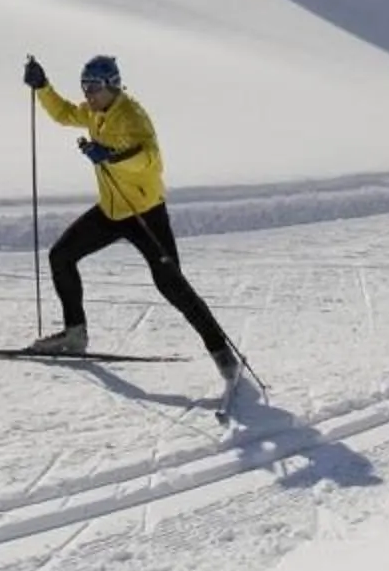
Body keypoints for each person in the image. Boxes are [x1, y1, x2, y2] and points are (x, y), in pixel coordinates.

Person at [22, 53, 240, 380]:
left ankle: (221, 351)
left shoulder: (133, 117)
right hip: (112, 211)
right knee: (61, 256)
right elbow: (66, 113)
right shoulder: (96, 113)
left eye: (94, 87)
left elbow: (148, 160)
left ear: (112, 86)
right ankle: (75, 334)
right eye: (85, 87)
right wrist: (42, 87)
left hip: (144, 214)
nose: (88, 94)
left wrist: (110, 157)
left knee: (171, 285)